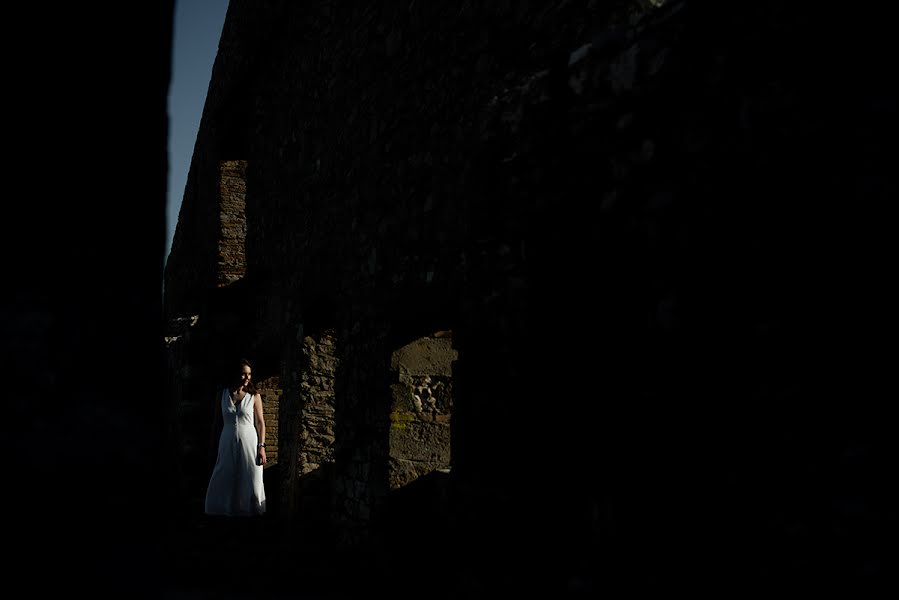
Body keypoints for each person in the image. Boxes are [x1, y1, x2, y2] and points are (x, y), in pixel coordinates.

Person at [204, 358, 267, 516]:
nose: (247, 378)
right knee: (225, 474)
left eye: (250, 374)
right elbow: (216, 422)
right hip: (227, 440)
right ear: (236, 374)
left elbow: (260, 423)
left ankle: (251, 511)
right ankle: (222, 509)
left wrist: (262, 446)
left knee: (250, 476)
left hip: (249, 442)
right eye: (244, 374)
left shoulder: (254, 396)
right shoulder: (223, 394)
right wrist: (213, 444)